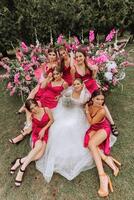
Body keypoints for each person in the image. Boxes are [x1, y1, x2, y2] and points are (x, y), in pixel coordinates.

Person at [36, 79, 116, 182]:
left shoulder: (86, 95)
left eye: (78, 84)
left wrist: (86, 110)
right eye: (74, 84)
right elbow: (63, 95)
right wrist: (63, 99)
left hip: (78, 113)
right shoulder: (70, 90)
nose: (76, 85)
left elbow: (88, 106)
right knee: (58, 126)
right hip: (66, 111)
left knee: (70, 125)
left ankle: (102, 167)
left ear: (82, 84)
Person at [9, 68, 68, 144]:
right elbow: (43, 86)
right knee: (29, 107)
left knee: (37, 116)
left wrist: (60, 96)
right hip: (43, 99)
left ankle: (22, 135)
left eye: (57, 74)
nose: (55, 76)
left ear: (61, 74)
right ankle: (28, 125)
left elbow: (67, 92)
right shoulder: (51, 79)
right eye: (54, 74)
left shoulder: (64, 83)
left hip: (51, 103)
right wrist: (48, 78)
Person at [84, 90, 121, 197]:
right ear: (92, 98)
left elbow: (91, 122)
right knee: (90, 144)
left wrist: (86, 112)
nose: (100, 102)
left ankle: (103, 176)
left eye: (102, 99)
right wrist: (86, 109)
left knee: (91, 144)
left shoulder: (102, 111)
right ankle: (107, 158)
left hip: (103, 128)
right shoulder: (89, 104)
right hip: (94, 128)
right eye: (98, 99)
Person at [10, 99, 54, 187]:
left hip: (44, 133)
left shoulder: (46, 109)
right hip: (36, 134)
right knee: (38, 146)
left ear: (37, 104)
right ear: (30, 110)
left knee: (39, 155)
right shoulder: (32, 116)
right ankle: (22, 170)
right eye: (31, 108)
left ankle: (20, 161)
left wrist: (44, 129)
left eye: (35, 106)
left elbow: (51, 120)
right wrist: (26, 131)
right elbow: (31, 128)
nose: (34, 109)